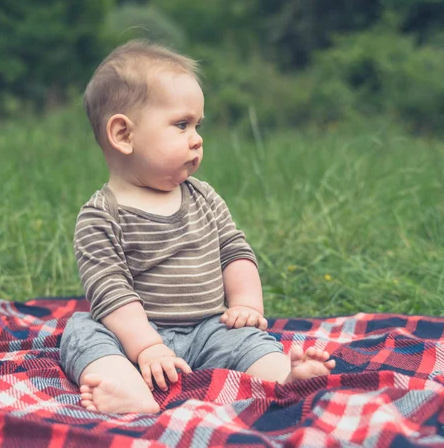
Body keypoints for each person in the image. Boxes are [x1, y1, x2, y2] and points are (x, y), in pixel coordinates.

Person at [60, 39, 335, 414]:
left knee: (246, 340)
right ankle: (125, 388)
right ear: (124, 135)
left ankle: (285, 375)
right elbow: (110, 290)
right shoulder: (100, 216)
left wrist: (245, 305)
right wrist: (146, 346)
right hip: (132, 334)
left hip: (209, 327)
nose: (197, 138)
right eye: (181, 125)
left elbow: (235, 250)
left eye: (197, 125)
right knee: (82, 332)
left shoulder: (203, 197)